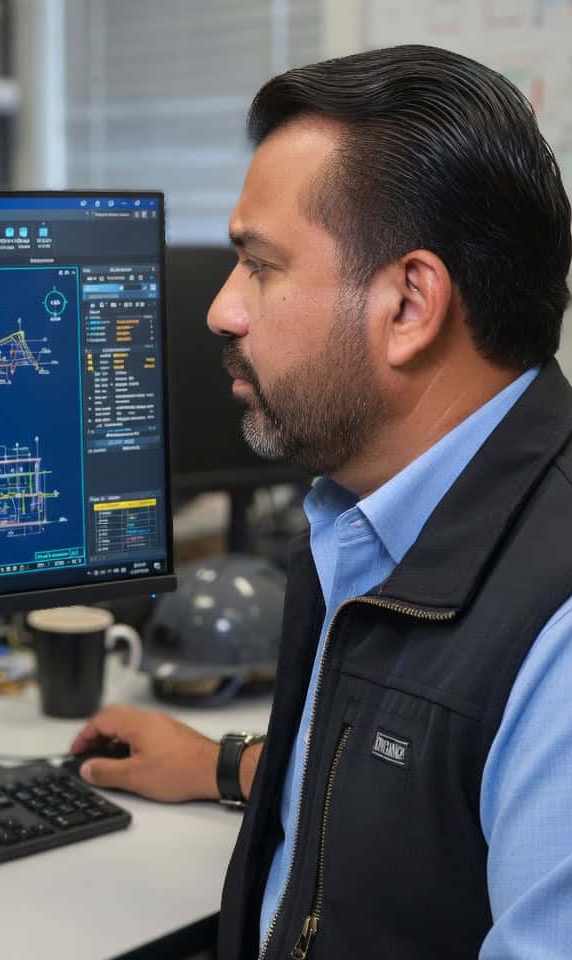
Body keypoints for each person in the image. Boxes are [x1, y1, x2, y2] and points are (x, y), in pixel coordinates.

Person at [70, 44, 572, 959]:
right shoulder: (365, 515)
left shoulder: (558, 632)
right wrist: (231, 768)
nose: (224, 310)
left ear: (409, 305)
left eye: (260, 266)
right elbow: (433, 781)